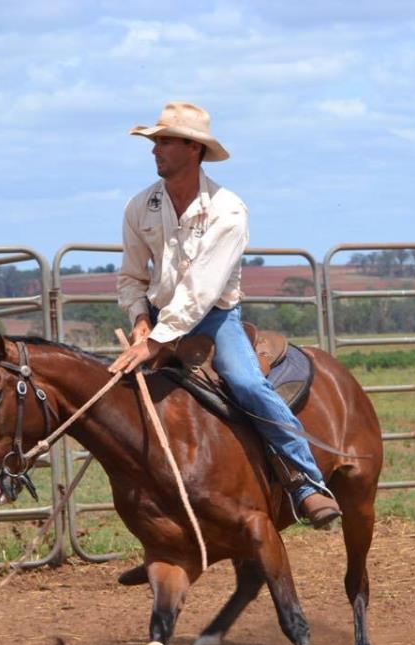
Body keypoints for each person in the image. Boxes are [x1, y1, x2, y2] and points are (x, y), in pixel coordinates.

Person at [107, 101, 341, 528]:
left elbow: (201, 289)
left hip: (214, 319)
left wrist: (156, 340)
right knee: (115, 395)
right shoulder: (140, 206)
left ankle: (306, 481)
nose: (155, 150)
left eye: (165, 141)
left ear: (193, 148)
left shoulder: (227, 210)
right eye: (155, 141)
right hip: (157, 318)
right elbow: (131, 276)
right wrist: (140, 320)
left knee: (247, 383)